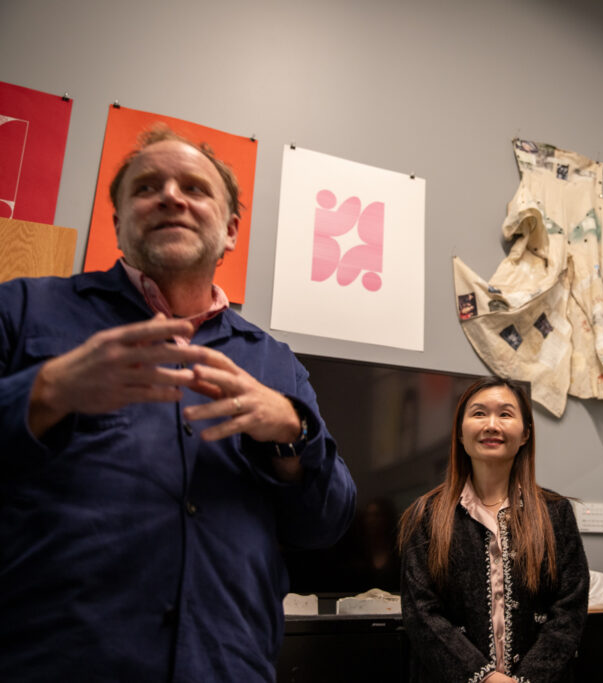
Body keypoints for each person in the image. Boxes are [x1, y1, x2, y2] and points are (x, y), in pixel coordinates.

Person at [0, 127, 357, 681]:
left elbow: (326, 524)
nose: (171, 196)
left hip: (226, 666)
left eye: (195, 187)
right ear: (117, 221)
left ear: (231, 230)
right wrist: (47, 391)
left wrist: (290, 430)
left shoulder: (275, 363)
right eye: (147, 187)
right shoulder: (23, 310)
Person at [399, 376, 589, 682]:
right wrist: (483, 677)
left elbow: (569, 611)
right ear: (460, 434)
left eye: (505, 413)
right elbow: (421, 613)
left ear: (525, 433)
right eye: (478, 413)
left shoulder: (556, 513)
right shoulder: (426, 514)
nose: (491, 425)